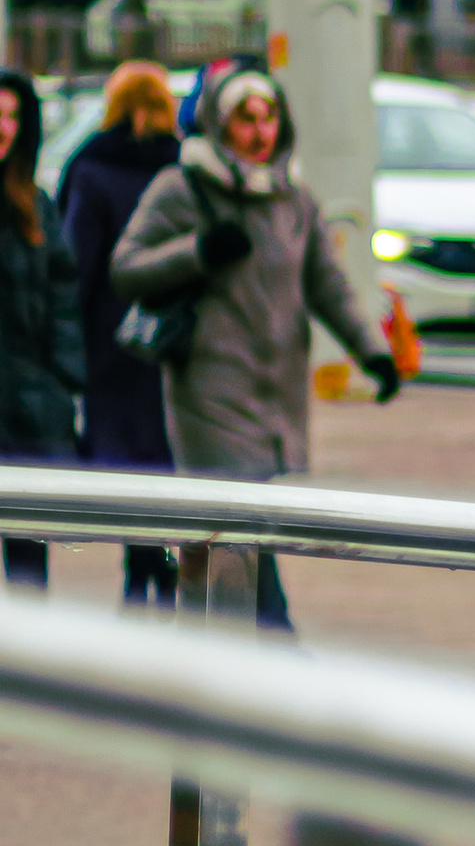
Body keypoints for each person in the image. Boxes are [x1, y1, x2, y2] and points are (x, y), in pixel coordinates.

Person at [110, 60, 398, 633]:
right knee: (240, 530)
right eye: (246, 118)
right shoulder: (182, 188)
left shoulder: (293, 199)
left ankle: (200, 651)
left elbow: (328, 284)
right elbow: (127, 267)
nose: (260, 131)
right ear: (219, 124)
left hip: (275, 397)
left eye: (269, 118)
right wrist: (198, 251)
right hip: (209, 397)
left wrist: (373, 352)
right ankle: (277, 651)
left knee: (230, 537)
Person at [57, 60, 183, 607]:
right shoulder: (180, 168)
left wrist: (70, 338)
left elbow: (76, 261)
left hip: (110, 339)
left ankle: (139, 570)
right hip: (170, 339)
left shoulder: (90, 167)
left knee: (122, 460)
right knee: (161, 457)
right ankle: (155, 558)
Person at [0, 68, 85, 594]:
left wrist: (62, 385)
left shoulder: (36, 206)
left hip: (25, 410)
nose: (2, 127)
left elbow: (64, 303)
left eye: (12, 116)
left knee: (28, 567)